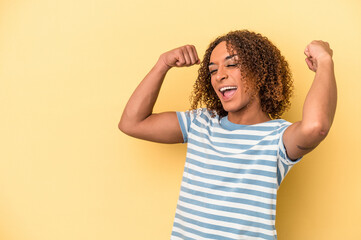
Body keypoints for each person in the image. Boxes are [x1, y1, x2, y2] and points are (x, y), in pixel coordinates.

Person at [118, 30, 337, 240]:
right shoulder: (200, 122)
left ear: (260, 73)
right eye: (213, 70)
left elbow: (315, 126)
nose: (220, 75)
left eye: (232, 65)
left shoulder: (277, 138)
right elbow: (132, 122)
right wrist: (162, 64)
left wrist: (324, 61)